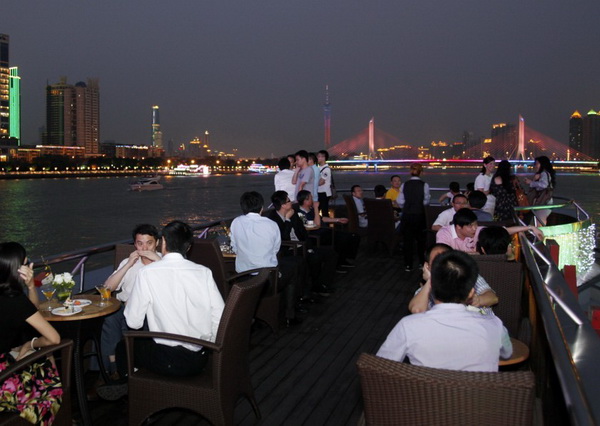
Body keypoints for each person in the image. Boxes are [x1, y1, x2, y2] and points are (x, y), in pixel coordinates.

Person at [377, 250, 512, 372]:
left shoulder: (408, 326)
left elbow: (380, 367)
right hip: (477, 392)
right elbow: (507, 353)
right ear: (471, 293)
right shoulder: (494, 325)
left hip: (425, 392)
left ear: (431, 286)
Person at [0, 242, 63, 424]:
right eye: (26, 263)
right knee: (47, 357)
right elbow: (54, 338)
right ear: (19, 269)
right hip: (3, 378)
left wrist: (30, 287)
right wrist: (30, 344)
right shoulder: (13, 299)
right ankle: (58, 414)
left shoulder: (15, 299)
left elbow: (30, 310)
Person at [230, 191, 304, 325]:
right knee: (293, 269)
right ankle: (289, 315)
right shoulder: (271, 224)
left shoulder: (236, 222)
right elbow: (275, 250)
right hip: (266, 281)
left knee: (289, 265)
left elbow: (234, 248)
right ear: (261, 207)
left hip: (243, 279)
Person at [99, 224, 161, 376]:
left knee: (139, 321)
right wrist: (128, 265)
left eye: (149, 243)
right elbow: (107, 288)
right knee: (110, 317)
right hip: (125, 307)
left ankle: (126, 368)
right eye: (140, 243)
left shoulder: (164, 262)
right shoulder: (130, 262)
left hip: (150, 311)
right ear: (135, 245)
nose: (144, 248)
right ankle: (111, 369)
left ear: (157, 243)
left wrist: (159, 261)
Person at [268, 190, 337, 297]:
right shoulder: (273, 219)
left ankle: (322, 283)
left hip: (302, 245)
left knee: (331, 254)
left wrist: (309, 247)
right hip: (289, 249)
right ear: (283, 205)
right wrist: (287, 219)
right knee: (314, 258)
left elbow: (303, 232)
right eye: (289, 201)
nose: (291, 202)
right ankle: (311, 290)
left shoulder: (293, 213)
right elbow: (283, 237)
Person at [408, 243, 498, 315]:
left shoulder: (466, 276)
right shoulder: (423, 291)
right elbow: (417, 310)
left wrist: (478, 300)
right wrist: (431, 280)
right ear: (427, 267)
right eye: (436, 262)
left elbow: (493, 298)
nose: (443, 267)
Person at [296, 190, 360, 271]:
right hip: (316, 236)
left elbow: (322, 218)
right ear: (305, 201)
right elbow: (317, 224)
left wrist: (338, 219)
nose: (312, 200)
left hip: (325, 231)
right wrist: (316, 208)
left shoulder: (310, 209)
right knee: (341, 239)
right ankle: (337, 263)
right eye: (310, 198)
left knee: (353, 236)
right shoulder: (300, 214)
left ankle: (344, 258)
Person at [436, 208, 544, 253]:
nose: (474, 228)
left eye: (475, 224)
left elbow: (504, 231)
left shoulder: (478, 231)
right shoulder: (444, 234)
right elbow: (442, 255)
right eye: (470, 226)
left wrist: (530, 228)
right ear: (458, 227)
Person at [397, 163, 431, 271]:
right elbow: (426, 201)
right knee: (421, 240)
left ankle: (408, 264)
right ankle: (421, 262)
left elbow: (400, 201)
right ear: (421, 172)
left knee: (407, 240)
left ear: (410, 172)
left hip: (407, 215)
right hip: (419, 215)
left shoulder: (404, 185)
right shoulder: (424, 185)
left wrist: (406, 206)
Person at [524, 155, 556, 225]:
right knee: (539, 221)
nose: (535, 165)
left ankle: (540, 232)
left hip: (544, 202)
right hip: (544, 201)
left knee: (540, 222)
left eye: (537, 163)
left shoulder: (544, 173)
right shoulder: (544, 174)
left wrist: (531, 182)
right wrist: (534, 180)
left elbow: (544, 185)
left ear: (543, 164)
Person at [317, 150, 333, 217]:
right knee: (318, 210)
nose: (317, 158)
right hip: (320, 192)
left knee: (324, 211)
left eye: (319, 156)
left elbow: (321, 182)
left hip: (324, 193)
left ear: (324, 158)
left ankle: (326, 223)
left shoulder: (326, 169)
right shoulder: (319, 168)